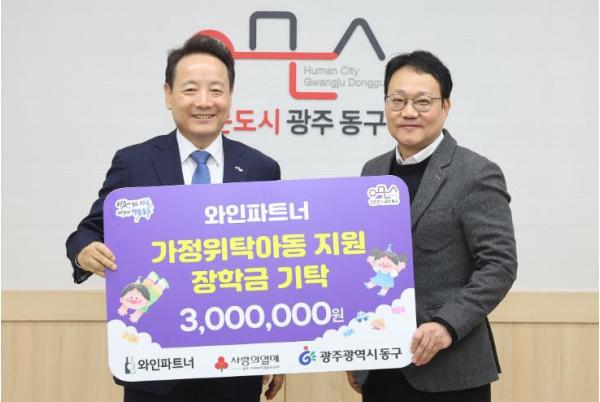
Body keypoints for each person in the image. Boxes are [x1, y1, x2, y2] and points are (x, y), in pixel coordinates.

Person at [66, 34, 284, 402]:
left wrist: (279, 352)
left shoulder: (261, 169)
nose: (204, 101)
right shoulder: (134, 163)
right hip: (156, 365)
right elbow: (87, 232)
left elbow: (276, 265)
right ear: (168, 95)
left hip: (234, 366)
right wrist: (84, 251)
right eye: (190, 89)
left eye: (216, 90)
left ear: (230, 96)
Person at [348, 50, 517, 402]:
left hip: (450, 370)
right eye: (398, 100)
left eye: (423, 101)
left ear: (445, 106)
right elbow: (365, 262)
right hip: (381, 366)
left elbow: (499, 266)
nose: (409, 112)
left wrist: (446, 325)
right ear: (386, 105)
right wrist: (355, 346)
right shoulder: (372, 171)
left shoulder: (475, 173)